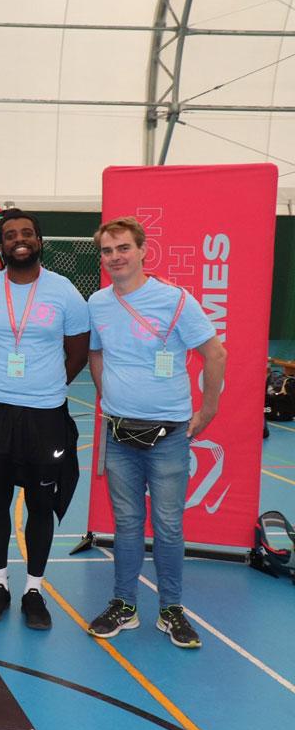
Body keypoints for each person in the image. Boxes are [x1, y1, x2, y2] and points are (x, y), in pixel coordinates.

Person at [84, 216, 225, 649]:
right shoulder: (98, 303)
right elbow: (95, 356)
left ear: (143, 250)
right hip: (120, 436)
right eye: (107, 251)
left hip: (168, 437)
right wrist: (114, 398)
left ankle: (171, 610)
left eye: (123, 248)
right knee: (126, 526)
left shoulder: (175, 301)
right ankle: (124, 606)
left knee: (167, 526)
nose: (115, 258)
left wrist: (208, 410)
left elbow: (214, 354)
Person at [0, 208, 89, 631]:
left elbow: (77, 352)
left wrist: (45, 385)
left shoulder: (65, 291)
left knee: (40, 504)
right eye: (11, 234)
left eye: (27, 233)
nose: (20, 239)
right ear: (0, 245)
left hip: (46, 414)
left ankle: (34, 590)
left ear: (40, 241)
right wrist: (4, 385)